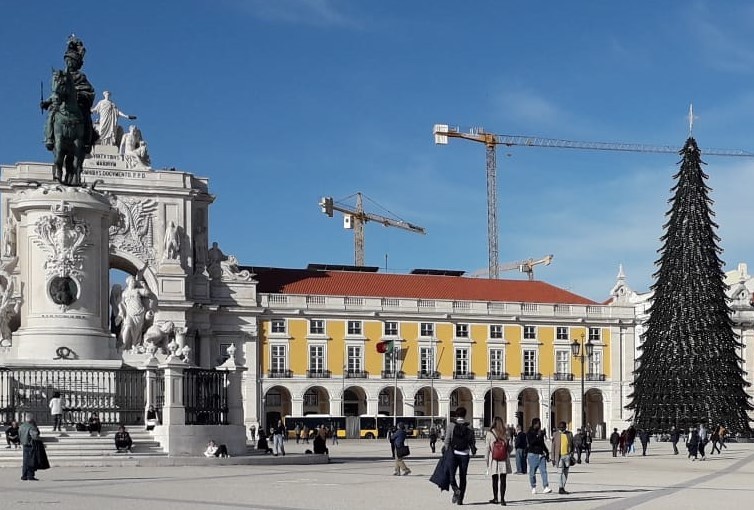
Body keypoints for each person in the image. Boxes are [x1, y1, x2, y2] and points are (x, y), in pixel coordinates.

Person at [444, 406, 476, 505]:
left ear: (456, 415)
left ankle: (456, 489)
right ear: (465, 415)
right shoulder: (469, 426)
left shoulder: (451, 425)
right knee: (463, 476)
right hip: (465, 454)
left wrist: (446, 452)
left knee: (451, 475)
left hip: (453, 453)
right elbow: (472, 440)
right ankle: (460, 500)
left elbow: (447, 441)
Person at [118, 276, 156, 351]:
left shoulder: (138, 290)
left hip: (139, 312)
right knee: (127, 326)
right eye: (132, 281)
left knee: (137, 331)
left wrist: (144, 285)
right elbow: (121, 303)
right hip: (129, 312)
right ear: (128, 282)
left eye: (134, 281)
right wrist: (121, 311)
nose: (134, 282)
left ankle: (134, 345)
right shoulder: (124, 293)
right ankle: (124, 344)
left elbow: (148, 293)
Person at [485, 416, 512, 506]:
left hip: (494, 459)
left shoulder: (490, 433)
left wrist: (487, 461)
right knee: (503, 479)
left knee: (495, 479)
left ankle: (496, 498)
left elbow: (487, 449)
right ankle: (503, 499)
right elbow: (510, 448)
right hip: (504, 459)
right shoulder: (506, 433)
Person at [526, 417, 551, 495]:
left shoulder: (540, 433)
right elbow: (531, 442)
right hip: (532, 454)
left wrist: (547, 452)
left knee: (544, 471)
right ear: (534, 424)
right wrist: (537, 436)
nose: (539, 425)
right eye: (538, 424)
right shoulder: (529, 432)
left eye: (540, 423)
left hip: (541, 454)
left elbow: (542, 444)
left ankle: (545, 486)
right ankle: (533, 487)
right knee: (532, 472)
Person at [551, 421, 574, 495]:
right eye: (560, 428)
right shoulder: (556, 434)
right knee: (560, 472)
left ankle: (562, 487)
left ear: (565, 427)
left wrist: (572, 453)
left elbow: (572, 444)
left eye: (562, 427)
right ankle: (560, 488)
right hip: (559, 456)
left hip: (567, 455)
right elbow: (553, 447)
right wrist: (553, 458)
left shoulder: (569, 434)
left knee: (565, 472)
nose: (561, 429)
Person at [19, 413, 40, 481]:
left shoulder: (21, 426)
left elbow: (19, 435)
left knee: (25, 460)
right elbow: (35, 436)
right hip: (31, 445)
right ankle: (30, 475)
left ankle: (24, 475)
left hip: (24, 444)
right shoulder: (31, 427)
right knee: (31, 460)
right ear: (32, 419)